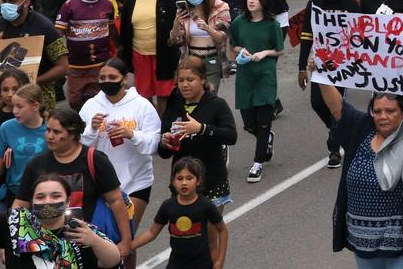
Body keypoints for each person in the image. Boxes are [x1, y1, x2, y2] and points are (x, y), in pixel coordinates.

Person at [317, 68, 403, 268]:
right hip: (362, 244)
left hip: (402, 248)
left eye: (390, 111)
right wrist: (320, 76)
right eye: (377, 111)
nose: (382, 116)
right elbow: (337, 108)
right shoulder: (361, 129)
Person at [13, 108, 134, 258]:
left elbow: (115, 200)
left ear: (72, 134)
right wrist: (12, 241)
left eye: (56, 132)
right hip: (47, 246)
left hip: (89, 244)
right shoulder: (37, 164)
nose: (49, 136)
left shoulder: (96, 160)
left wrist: (126, 240)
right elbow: (20, 205)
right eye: (48, 130)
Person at [0, 168, 122, 269]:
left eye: (55, 196)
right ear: (32, 202)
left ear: (67, 201)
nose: (47, 201)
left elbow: (112, 260)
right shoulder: (17, 224)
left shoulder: (81, 231)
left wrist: (94, 240)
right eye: (40, 197)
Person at [78, 57, 162, 231]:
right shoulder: (90, 106)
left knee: (126, 238)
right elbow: (77, 146)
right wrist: (92, 129)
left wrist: (131, 134)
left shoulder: (142, 106)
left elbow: (154, 144)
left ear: (125, 79)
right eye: (102, 78)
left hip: (136, 181)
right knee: (104, 238)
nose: (107, 82)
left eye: (112, 77)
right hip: (100, 183)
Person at [300, 0, 360, 169]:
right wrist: (301, 67)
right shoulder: (314, 4)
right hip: (320, 63)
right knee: (317, 103)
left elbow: (360, 34)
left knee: (337, 102)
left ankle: (334, 147)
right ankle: (338, 129)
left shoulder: (351, 4)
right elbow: (306, 35)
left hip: (343, 63)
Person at [159, 57, 238, 207]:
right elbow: (164, 153)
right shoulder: (174, 104)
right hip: (182, 184)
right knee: (183, 230)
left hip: (212, 181)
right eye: (181, 80)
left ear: (203, 80)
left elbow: (231, 136)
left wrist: (202, 129)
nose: (185, 85)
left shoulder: (217, 104)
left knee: (211, 231)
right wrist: (165, 142)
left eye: (190, 79)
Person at [228, 0, 284, 184]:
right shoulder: (238, 23)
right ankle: (267, 137)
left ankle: (257, 164)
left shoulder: (273, 25)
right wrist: (240, 50)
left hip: (265, 77)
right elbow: (233, 44)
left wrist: (265, 53)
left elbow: (279, 49)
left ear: (264, 1)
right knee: (249, 124)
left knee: (263, 121)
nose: (251, 1)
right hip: (245, 77)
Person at [131, 157, 229, 269]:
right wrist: (128, 246)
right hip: (176, 264)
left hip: (202, 264)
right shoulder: (168, 206)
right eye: (179, 178)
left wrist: (220, 260)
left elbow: (222, 230)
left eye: (189, 178)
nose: (184, 183)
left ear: (198, 181)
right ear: (173, 181)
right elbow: (152, 232)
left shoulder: (206, 205)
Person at [119, 0, 181, 115]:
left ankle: (163, 129)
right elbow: (126, 22)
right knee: (143, 95)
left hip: (163, 53)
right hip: (139, 53)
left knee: (163, 94)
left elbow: (177, 19)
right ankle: (152, 124)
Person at [55, 0, 118, 111]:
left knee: (98, 100)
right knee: (74, 101)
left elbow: (112, 29)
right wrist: (59, 56)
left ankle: (93, 125)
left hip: (100, 64)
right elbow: (58, 32)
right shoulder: (69, 5)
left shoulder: (107, 5)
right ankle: (82, 118)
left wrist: (118, 47)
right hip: (76, 65)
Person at [0, 83, 46, 211]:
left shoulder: (51, 128)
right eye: (14, 106)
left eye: (19, 106)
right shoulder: (6, 127)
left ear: (36, 106)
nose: (14, 111)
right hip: (16, 194)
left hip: (45, 194)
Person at [169, 0, 231, 93]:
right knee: (192, 97)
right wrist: (176, 23)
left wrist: (208, 29)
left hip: (211, 59)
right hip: (191, 59)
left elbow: (222, 37)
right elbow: (175, 39)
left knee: (209, 98)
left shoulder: (220, 7)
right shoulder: (184, 10)